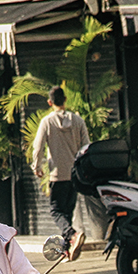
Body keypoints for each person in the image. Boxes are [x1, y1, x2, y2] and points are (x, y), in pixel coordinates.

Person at [31, 86, 90, 260]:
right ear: (65, 100)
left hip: (57, 175)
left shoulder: (47, 122)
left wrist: (37, 166)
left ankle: (71, 235)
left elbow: (38, 146)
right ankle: (67, 250)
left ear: (50, 102)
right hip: (74, 175)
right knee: (67, 212)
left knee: (56, 211)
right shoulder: (78, 121)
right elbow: (86, 146)